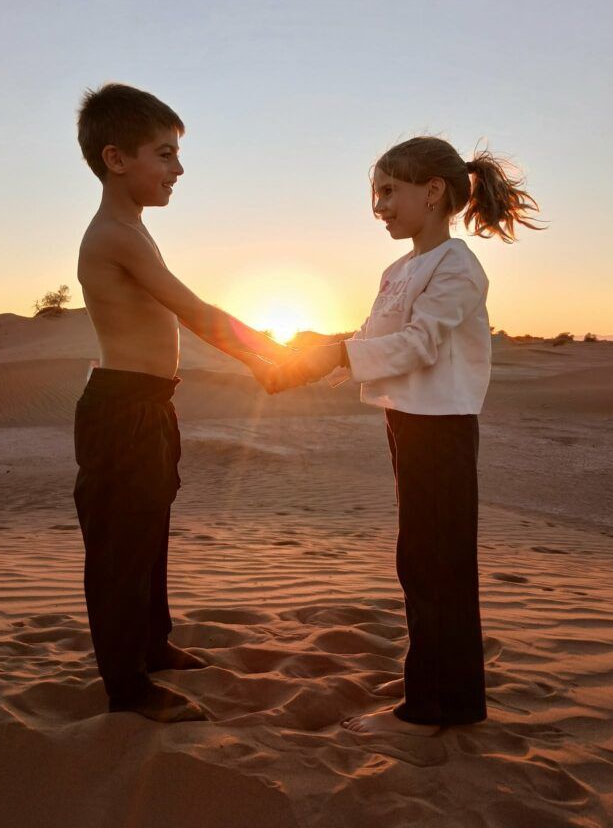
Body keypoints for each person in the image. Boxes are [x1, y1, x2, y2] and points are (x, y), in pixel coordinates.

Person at [267, 136, 543, 736]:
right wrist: (296, 362)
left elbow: (419, 345)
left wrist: (329, 356)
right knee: (419, 560)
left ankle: (434, 706)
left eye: (389, 191)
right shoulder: (398, 269)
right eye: (376, 195)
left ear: (434, 191)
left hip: (443, 428)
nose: (380, 207)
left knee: (436, 562)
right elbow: (370, 337)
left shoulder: (458, 266)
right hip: (406, 423)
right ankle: (442, 688)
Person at [73, 83, 281, 722]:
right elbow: (194, 310)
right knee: (121, 548)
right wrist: (268, 358)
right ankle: (126, 689)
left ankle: (153, 645)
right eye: (164, 155)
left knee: (152, 530)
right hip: (121, 408)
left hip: (152, 403)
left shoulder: (134, 228)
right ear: (116, 159)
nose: (178, 169)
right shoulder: (115, 234)